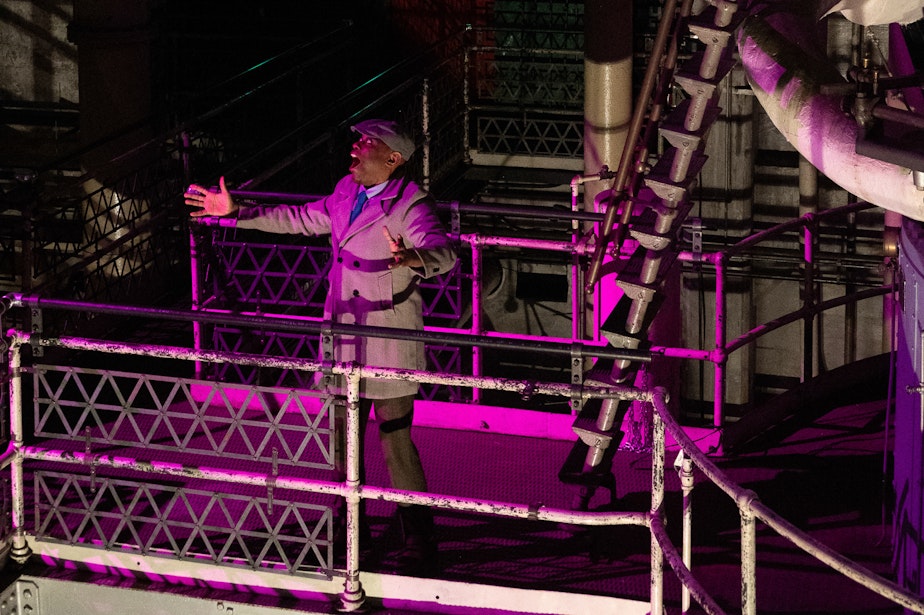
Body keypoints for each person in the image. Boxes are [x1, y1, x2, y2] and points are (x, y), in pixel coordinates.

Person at [186, 118, 457, 572]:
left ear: (392, 158)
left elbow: (444, 250)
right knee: (341, 442)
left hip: (388, 339)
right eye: (357, 140)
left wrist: (413, 256)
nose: (354, 147)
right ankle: (348, 531)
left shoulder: (411, 203)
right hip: (344, 336)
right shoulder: (345, 193)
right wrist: (235, 211)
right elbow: (299, 218)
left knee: (396, 443)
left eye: (366, 142)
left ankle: (419, 539)